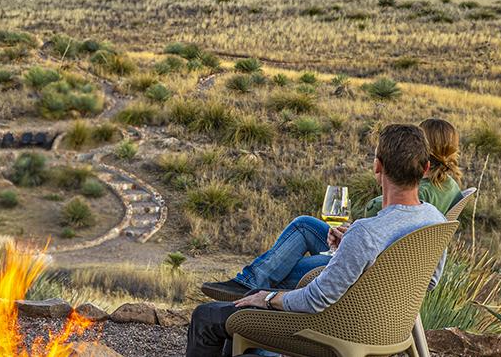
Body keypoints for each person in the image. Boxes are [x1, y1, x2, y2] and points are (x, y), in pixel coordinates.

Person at [185, 124, 448, 357]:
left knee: (206, 316)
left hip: (335, 329)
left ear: (377, 166)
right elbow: (431, 282)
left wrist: (268, 298)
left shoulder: (366, 233)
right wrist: (353, 256)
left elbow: (316, 299)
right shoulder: (435, 220)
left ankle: (253, 291)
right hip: (390, 329)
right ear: (425, 169)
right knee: (247, 306)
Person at [201, 118, 464, 300]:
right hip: (372, 258)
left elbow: (378, 222)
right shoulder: (437, 210)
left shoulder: (420, 198)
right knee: (305, 224)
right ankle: (249, 283)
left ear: (378, 167)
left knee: (280, 276)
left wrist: (356, 240)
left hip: (364, 269)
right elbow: (424, 274)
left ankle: (253, 311)